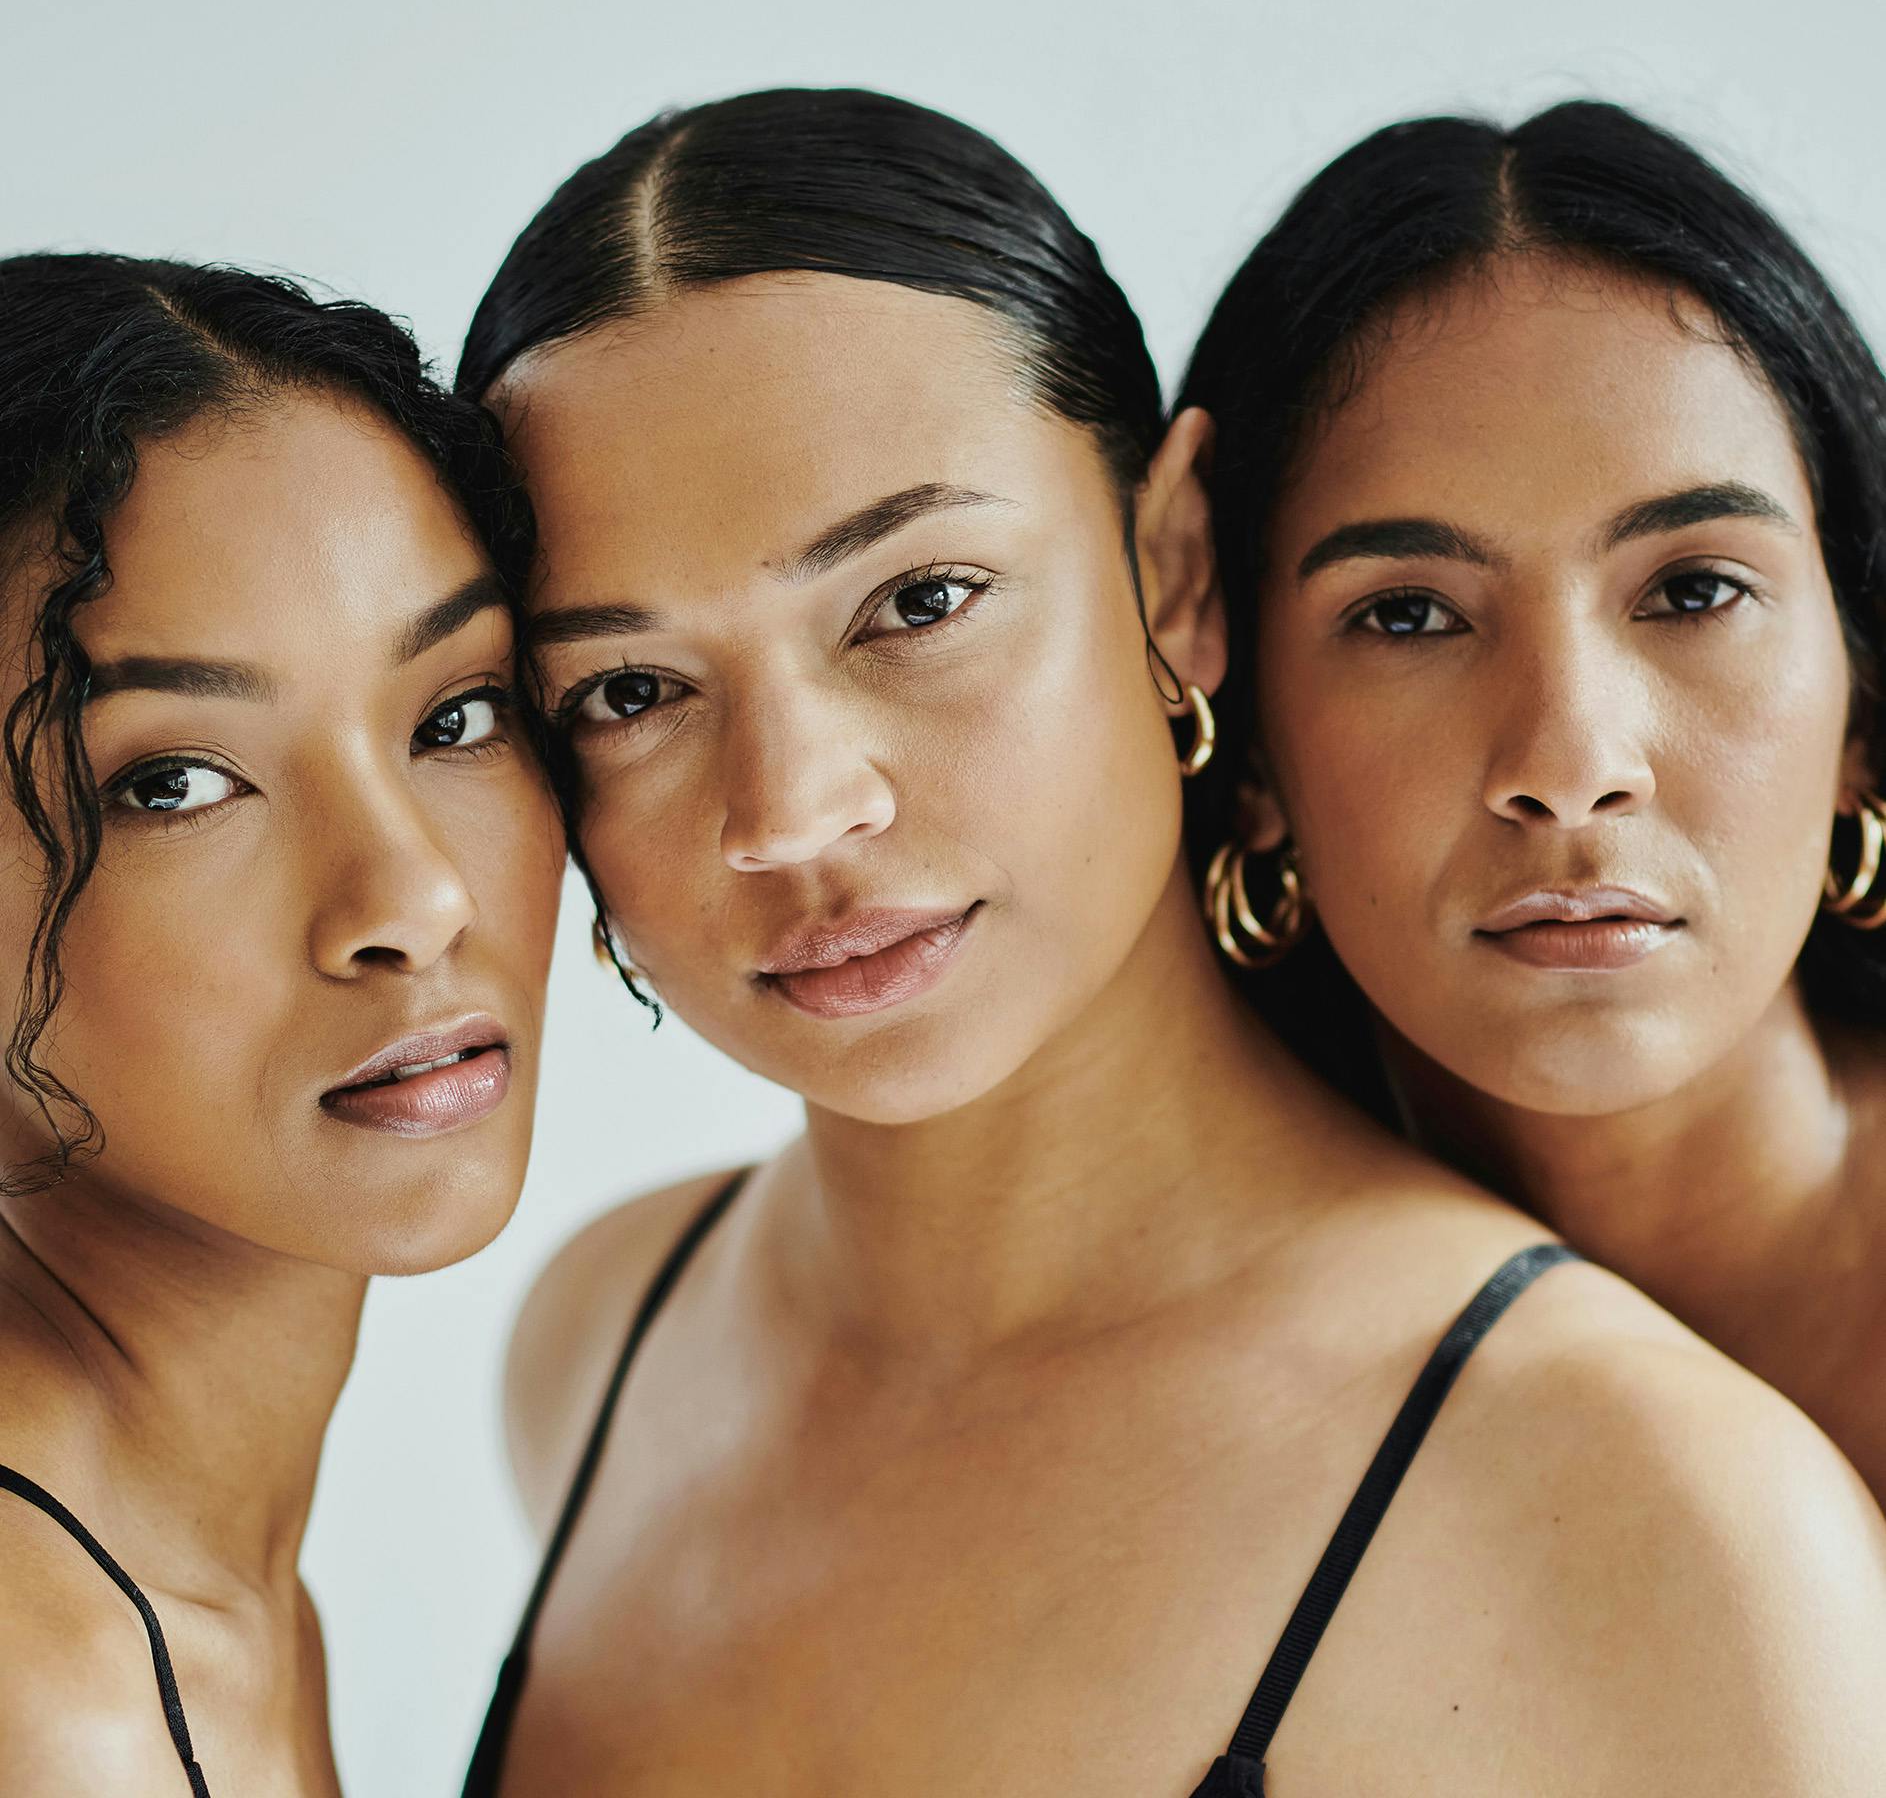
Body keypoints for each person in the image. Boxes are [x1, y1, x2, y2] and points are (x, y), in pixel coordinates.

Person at [461, 90, 1886, 1797]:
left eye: (917, 601)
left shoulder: (1663, 1509)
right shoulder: (597, 1340)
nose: (788, 809)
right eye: (630, 691)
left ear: (1173, 565)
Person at [1178, 101, 1886, 1499]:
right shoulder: (1177, 1403)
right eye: (1407, 617)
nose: (1567, 762)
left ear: (1862, 715)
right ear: (1249, 755)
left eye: (1692, 590)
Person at [0, 254, 564, 1796]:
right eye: (174, 782)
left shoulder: (177, 1586)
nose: (414, 896)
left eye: (453, 716)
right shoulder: (51, 1691)